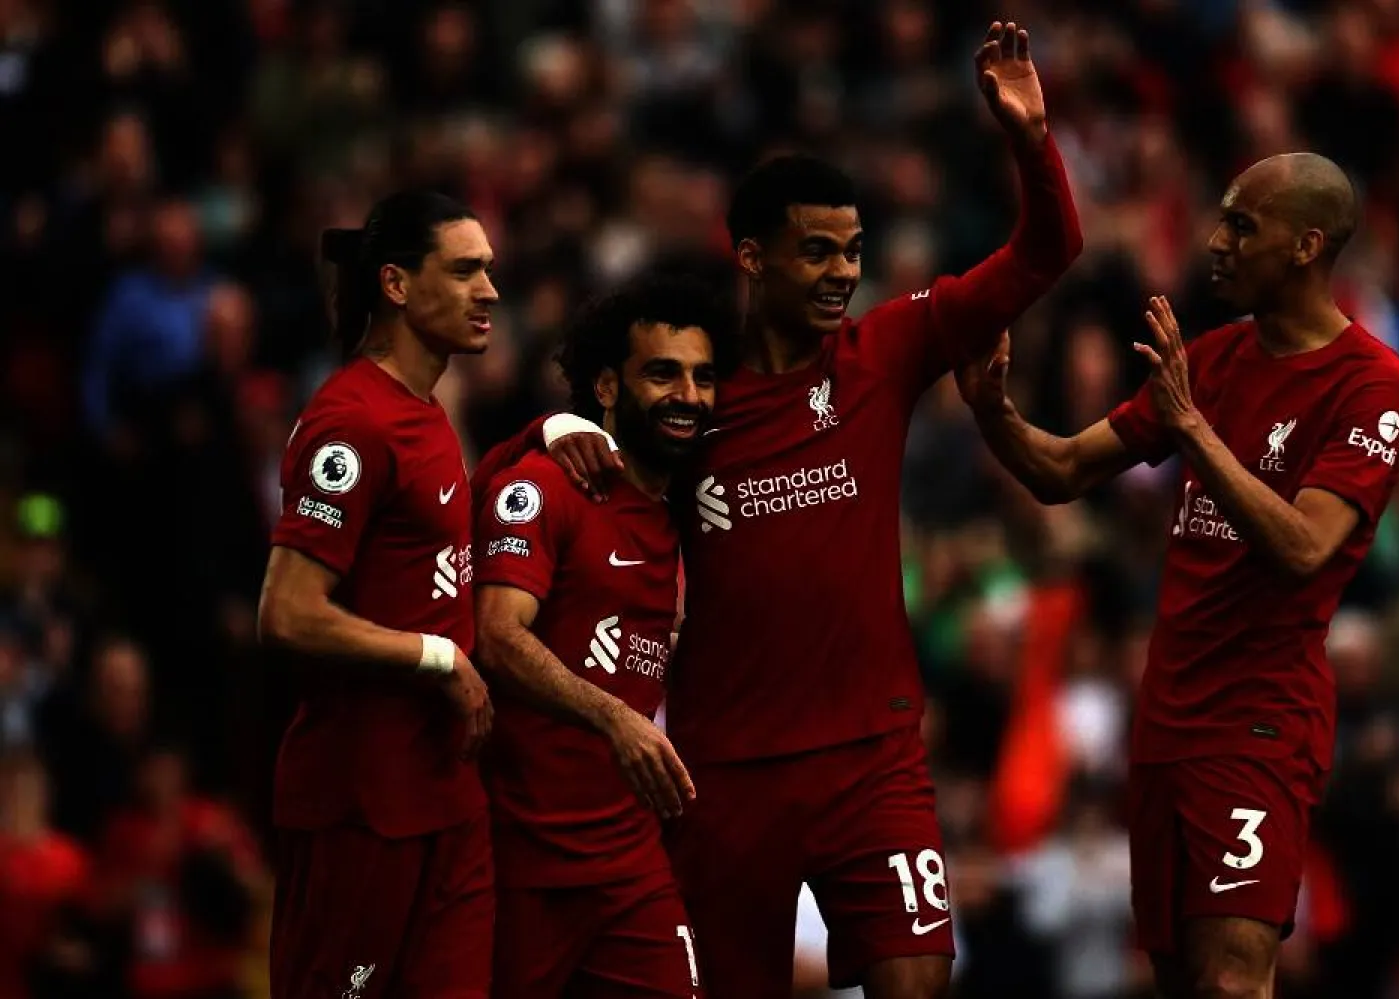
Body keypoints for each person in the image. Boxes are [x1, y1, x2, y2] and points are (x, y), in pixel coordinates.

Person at [540, 21, 1081, 998]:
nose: (841, 273)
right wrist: (555, 428)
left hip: (875, 759)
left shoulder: (886, 353)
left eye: (853, 252)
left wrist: (1032, 142)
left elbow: (1048, 251)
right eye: (818, 252)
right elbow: (573, 435)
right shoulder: (688, 397)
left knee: (919, 981)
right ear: (753, 257)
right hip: (726, 773)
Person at [956, 152, 1399, 998]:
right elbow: (1062, 470)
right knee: (1179, 979)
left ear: (1307, 245)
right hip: (1166, 720)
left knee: (1233, 979)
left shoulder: (1371, 385)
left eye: (1243, 225)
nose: (1215, 241)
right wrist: (995, 412)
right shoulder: (1210, 359)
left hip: (1260, 721)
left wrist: (1194, 430)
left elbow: (1304, 547)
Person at [256, 189, 499, 999]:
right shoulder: (352, 422)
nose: (489, 290)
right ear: (395, 283)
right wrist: (437, 656)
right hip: (361, 802)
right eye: (463, 270)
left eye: (487, 269)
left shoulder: (426, 413)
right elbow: (287, 612)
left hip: (445, 796)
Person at [470, 270, 736, 998]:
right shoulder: (550, 486)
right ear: (609, 387)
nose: (688, 395)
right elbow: (495, 635)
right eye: (663, 373)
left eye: (703, 377)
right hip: (522, 861)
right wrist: (616, 718)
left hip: (630, 863)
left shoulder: (684, 519)